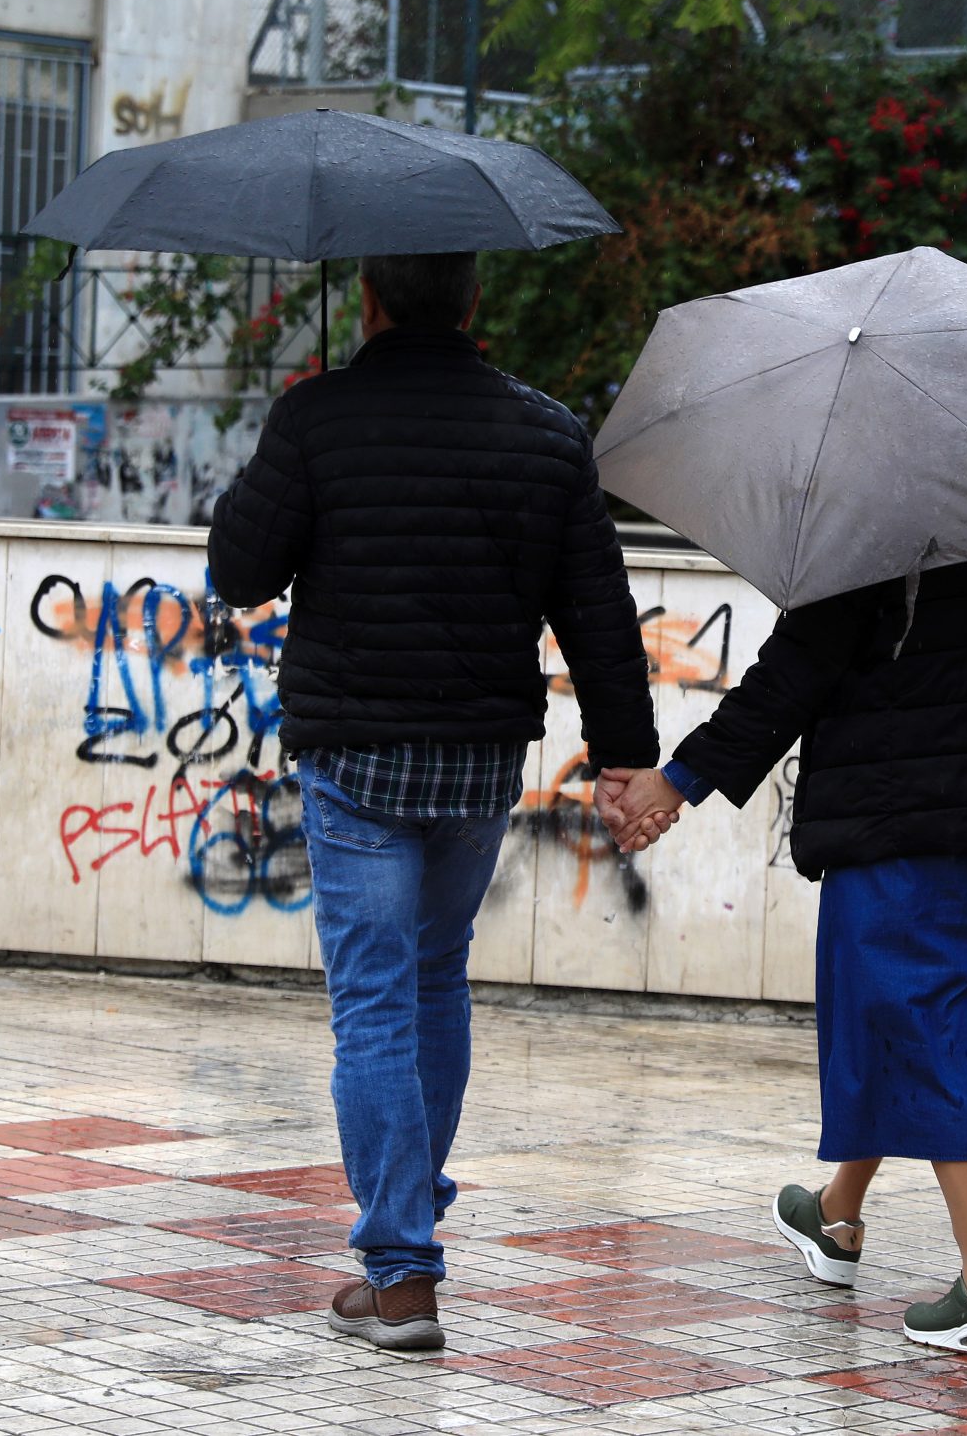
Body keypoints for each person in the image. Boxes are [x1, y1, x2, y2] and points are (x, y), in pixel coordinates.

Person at [206, 250, 658, 1353]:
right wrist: (625, 755)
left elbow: (240, 571)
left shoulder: (316, 418)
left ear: (367, 301)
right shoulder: (548, 432)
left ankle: (403, 1270)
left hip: (355, 757)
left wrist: (285, 440)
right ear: (474, 302)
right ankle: (406, 1214)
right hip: (475, 760)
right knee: (433, 981)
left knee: (370, 1003)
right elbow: (598, 609)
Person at [599, 547, 967, 1357]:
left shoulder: (874, 528)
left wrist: (676, 778)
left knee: (925, 1036)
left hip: (901, 821)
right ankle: (836, 1213)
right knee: (894, 1021)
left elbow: (797, 669)